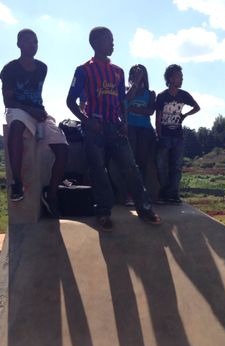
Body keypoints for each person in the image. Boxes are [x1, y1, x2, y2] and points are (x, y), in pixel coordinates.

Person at [67, 26, 159, 229]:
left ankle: (144, 208)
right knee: (98, 170)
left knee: (131, 167)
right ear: (96, 43)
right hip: (95, 128)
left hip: (116, 127)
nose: (113, 44)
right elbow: (70, 101)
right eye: (109, 40)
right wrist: (86, 120)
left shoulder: (118, 71)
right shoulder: (83, 70)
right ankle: (103, 212)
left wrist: (124, 122)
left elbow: (121, 102)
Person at [1, 29, 70, 206]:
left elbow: (35, 95)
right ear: (18, 44)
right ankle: (16, 183)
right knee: (16, 127)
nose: (33, 45)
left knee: (62, 148)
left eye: (35, 42)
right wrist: (30, 110)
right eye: (28, 41)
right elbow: (8, 101)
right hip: (18, 109)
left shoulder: (42, 68)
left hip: (38, 112)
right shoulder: (10, 69)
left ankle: (51, 194)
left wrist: (37, 112)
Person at [152, 64, 198, 204]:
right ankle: (164, 192)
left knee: (176, 166)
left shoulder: (184, 95)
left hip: (178, 136)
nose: (181, 79)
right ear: (171, 78)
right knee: (161, 165)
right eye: (179, 76)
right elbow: (158, 118)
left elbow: (197, 107)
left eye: (182, 77)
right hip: (164, 135)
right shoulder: (162, 96)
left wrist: (184, 115)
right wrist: (159, 135)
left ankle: (174, 193)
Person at [123, 65, 160, 205]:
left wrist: (132, 108)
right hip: (129, 127)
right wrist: (135, 84)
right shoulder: (127, 91)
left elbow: (150, 111)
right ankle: (129, 195)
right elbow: (124, 103)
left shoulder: (150, 93)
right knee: (130, 162)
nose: (137, 76)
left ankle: (140, 194)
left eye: (140, 74)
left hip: (145, 129)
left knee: (142, 161)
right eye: (134, 74)